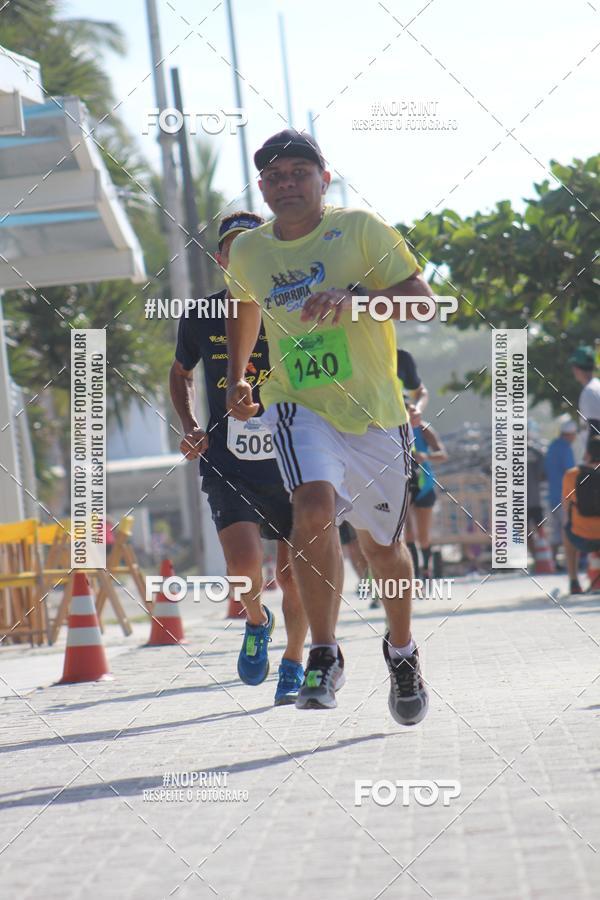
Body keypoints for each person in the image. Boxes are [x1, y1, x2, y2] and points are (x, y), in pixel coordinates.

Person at [225, 129, 434, 723]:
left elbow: (422, 301)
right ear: (262, 187)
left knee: (384, 549)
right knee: (311, 506)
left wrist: (355, 301)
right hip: (297, 403)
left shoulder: (362, 229)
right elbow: (244, 307)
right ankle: (324, 650)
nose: (287, 183)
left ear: (324, 178)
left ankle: (401, 650)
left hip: (374, 411)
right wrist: (241, 376)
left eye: (299, 172)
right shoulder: (250, 251)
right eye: (275, 175)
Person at [169, 212, 308, 705]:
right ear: (221, 258)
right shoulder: (201, 315)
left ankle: (293, 663)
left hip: (294, 458)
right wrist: (189, 426)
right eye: (235, 247)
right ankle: (256, 620)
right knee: (245, 566)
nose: (245, 255)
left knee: (295, 574)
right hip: (229, 462)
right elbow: (180, 372)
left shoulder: (292, 309)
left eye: (256, 244)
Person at [405, 407, 448, 580]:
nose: (415, 416)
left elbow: (442, 454)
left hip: (424, 486)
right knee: (408, 535)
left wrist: (425, 456)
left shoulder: (423, 429)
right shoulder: (395, 429)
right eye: (411, 413)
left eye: (417, 413)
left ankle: (426, 571)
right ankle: (414, 574)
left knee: (423, 536)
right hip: (403, 486)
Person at [562, 435, 600, 593]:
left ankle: (574, 582)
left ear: (587, 454)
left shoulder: (572, 475)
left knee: (566, 530)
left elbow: (566, 507)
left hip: (581, 538)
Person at [544, 418, 577, 568]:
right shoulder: (566, 448)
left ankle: (552, 562)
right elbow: (571, 472)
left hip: (552, 495)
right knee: (569, 529)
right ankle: (573, 563)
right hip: (565, 496)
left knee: (555, 530)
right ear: (570, 434)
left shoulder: (552, 447)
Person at [569, 346, 600, 439]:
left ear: (576, 369)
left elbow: (595, 430)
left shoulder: (589, 392)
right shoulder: (596, 386)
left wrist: (589, 453)